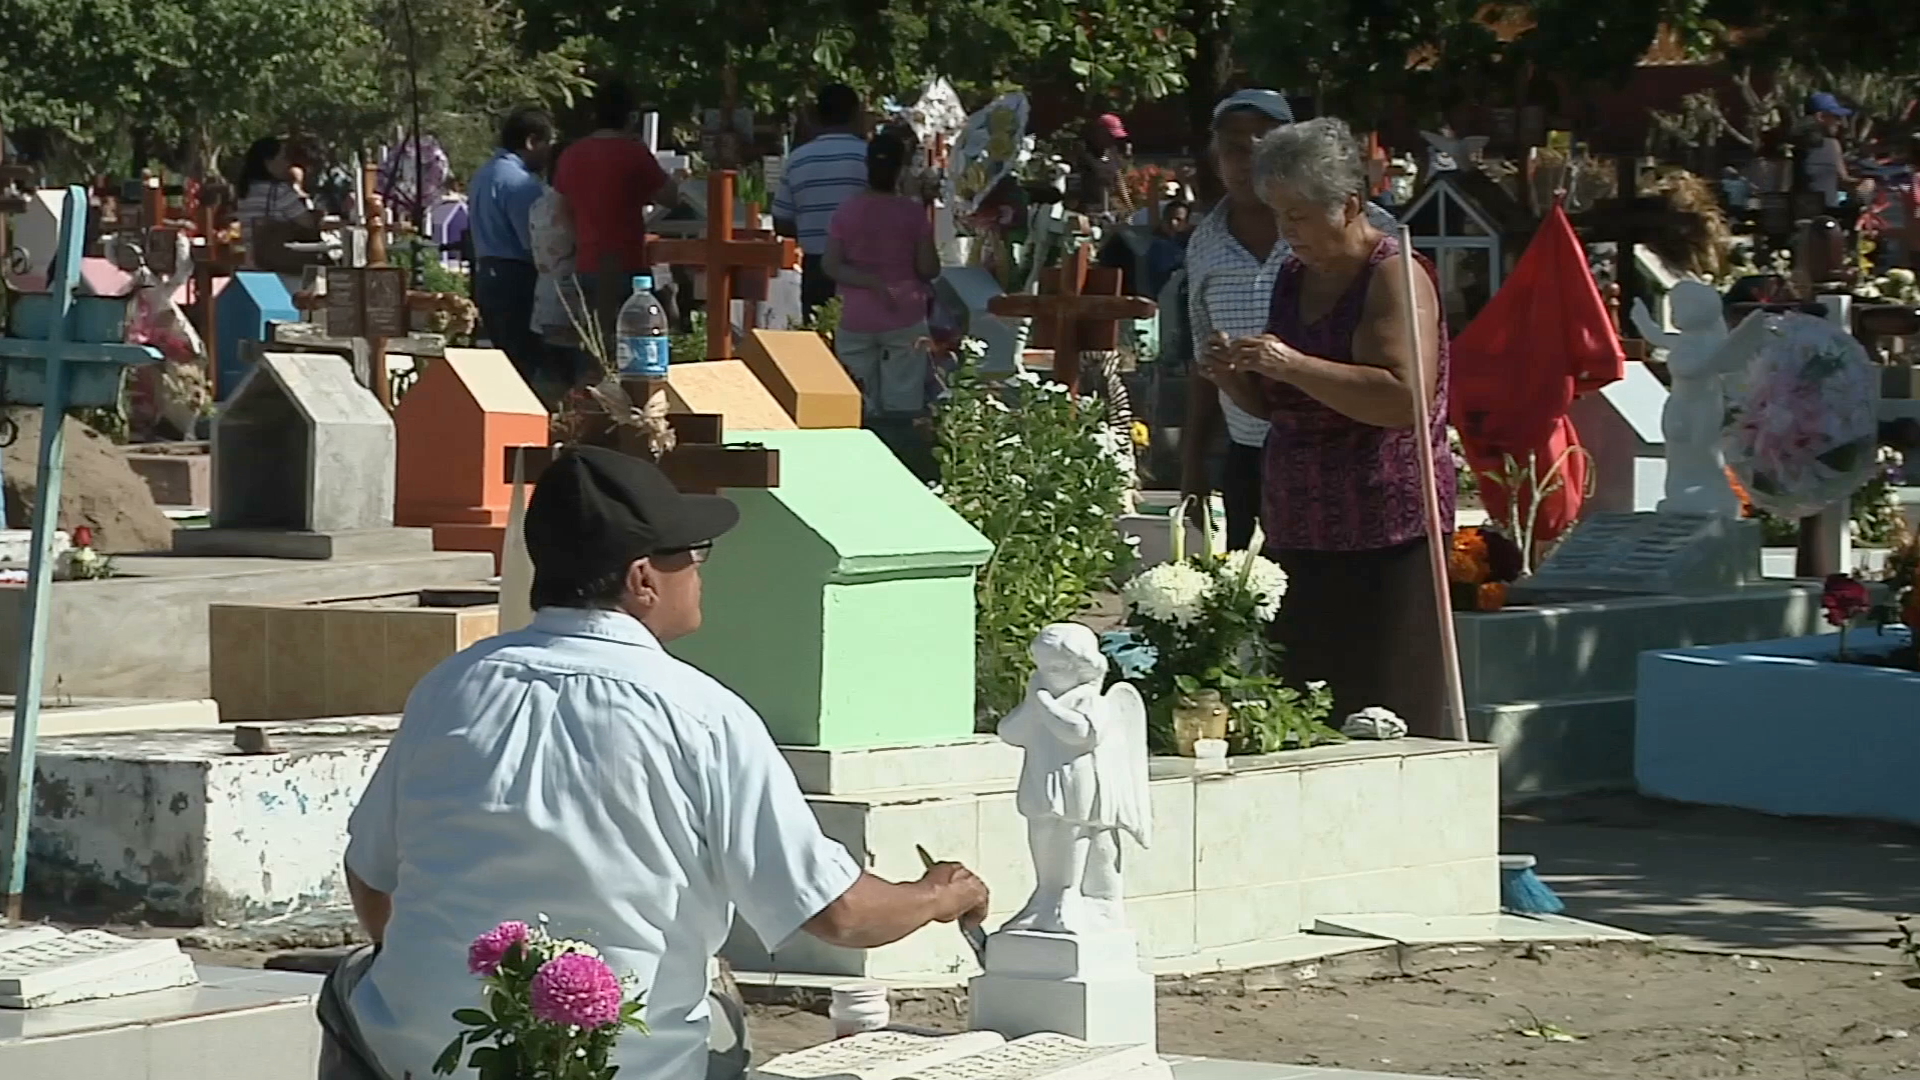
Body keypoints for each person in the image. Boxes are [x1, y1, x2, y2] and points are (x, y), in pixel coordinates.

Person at [334, 446, 991, 1080]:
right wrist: (939, 894)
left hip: (419, 1055)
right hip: (624, 1064)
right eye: (694, 557)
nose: (703, 575)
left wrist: (442, 983)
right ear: (642, 578)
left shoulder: (453, 686)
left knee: (354, 986)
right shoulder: (701, 714)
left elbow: (371, 874)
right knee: (717, 996)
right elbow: (839, 914)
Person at [1208, 117, 1455, 738]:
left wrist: (1291, 362)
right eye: (1278, 215)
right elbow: (1285, 405)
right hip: (1300, 526)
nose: (1287, 233)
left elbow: (1402, 399)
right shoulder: (1294, 276)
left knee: (1387, 706)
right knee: (1304, 706)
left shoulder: (1394, 275)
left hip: (1385, 531)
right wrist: (1236, 377)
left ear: (1349, 205)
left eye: (1299, 216)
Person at [1179, 90, 1296, 552]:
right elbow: (1205, 361)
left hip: (1328, 451)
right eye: (1233, 148)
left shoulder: (1339, 231)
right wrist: (1192, 465)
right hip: (1247, 451)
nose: (1247, 162)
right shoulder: (1204, 244)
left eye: (1262, 146)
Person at [825, 132, 939, 419]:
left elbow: (830, 264)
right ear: (901, 169)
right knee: (903, 392)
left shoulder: (846, 210)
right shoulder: (913, 213)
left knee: (857, 396)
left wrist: (869, 282)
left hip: (855, 312)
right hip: (905, 310)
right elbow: (928, 268)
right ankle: (901, 450)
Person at [553, 80, 680, 314]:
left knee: (596, 337)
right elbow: (671, 197)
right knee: (632, 335)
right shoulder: (634, 153)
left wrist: (581, 240)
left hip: (587, 262)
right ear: (630, 117)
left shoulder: (572, 154)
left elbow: (562, 210)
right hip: (627, 262)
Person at [469, 107, 556, 392]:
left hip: (486, 274)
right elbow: (533, 240)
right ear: (531, 141)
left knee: (506, 361)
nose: (548, 154)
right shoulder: (521, 184)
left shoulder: (483, 175)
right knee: (528, 364)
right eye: (547, 144)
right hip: (516, 278)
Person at [774, 84, 870, 318]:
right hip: (865, 263)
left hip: (817, 265)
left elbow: (782, 222)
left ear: (816, 116)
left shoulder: (797, 159)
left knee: (818, 340)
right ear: (857, 114)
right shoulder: (870, 156)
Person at [232, 136, 321, 272]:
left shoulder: (245, 191)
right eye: (283, 157)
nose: (287, 163)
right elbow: (307, 222)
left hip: (252, 261)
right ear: (268, 162)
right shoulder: (279, 191)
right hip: (279, 264)